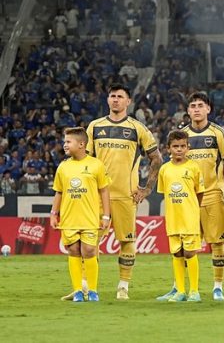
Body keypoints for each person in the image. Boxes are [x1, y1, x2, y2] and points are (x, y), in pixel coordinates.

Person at [85, 84, 161, 300]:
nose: (115, 99)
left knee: (127, 241)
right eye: (112, 96)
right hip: (98, 195)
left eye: (120, 96)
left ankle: (123, 286)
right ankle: (88, 286)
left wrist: (147, 189)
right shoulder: (94, 127)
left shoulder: (137, 128)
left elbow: (157, 158)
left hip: (126, 195)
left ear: (128, 102)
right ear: (107, 100)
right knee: (90, 242)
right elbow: (86, 160)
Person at [157, 93, 224, 301]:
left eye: (201, 105)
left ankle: (218, 287)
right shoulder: (181, 135)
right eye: (193, 106)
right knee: (183, 244)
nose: (197, 109)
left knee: (217, 242)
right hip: (187, 198)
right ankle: (178, 287)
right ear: (188, 110)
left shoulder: (218, 132)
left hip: (211, 194)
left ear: (208, 109)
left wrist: (221, 184)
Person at [51, 127, 111, 302]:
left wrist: (106, 216)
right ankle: (78, 290)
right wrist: (54, 213)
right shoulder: (63, 167)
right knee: (74, 251)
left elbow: (104, 191)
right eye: (65, 141)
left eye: (68, 141)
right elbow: (59, 192)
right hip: (69, 218)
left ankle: (92, 290)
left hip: (90, 217)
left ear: (82, 144)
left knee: (90, 250)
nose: (65, 145)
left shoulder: (96, 165)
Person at [157, 130, 204, 302]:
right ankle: (181, 291)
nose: (179, 149)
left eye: (182, 146)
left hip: (189, 217)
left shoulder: (193, 167)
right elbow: (165, 194)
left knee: (190, 253)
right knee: (177, 253)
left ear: (188, 147)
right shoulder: (164, 169)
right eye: (175, 146)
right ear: (168, 148)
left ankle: (194, 291)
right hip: (173, 218)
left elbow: (199, 193)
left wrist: (193, 210)